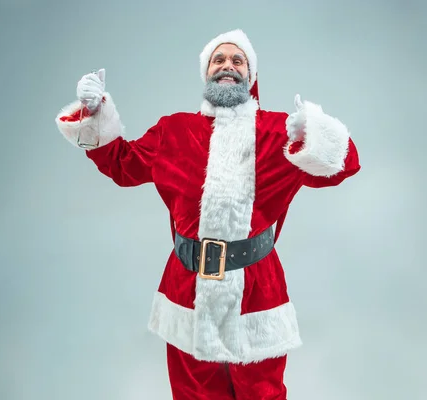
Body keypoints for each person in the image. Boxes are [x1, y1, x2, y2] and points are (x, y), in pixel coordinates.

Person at [55, 29, 360, 400]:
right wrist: (94, 111)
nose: (227, 66)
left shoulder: (277, 133)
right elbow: (123, 164)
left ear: (251, 75)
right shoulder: (174, 130)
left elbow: (343, 167)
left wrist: (314, 133)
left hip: (256, 293)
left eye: (237, 60)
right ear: (206, 72)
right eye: (218, 59)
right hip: (186, 290)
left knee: (262, 395)